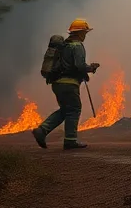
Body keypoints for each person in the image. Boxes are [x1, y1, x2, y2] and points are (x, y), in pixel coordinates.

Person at [33, 18, 100, 150]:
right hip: (69, 84)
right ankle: (70, 140)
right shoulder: (77, 46)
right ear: (80, 32)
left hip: (57, 83)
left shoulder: (64, 46)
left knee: (66, 110)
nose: (85, 35)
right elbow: (79, 66)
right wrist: (91, 68)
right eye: (85, 32)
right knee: (74, 109)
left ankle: (42, 130)